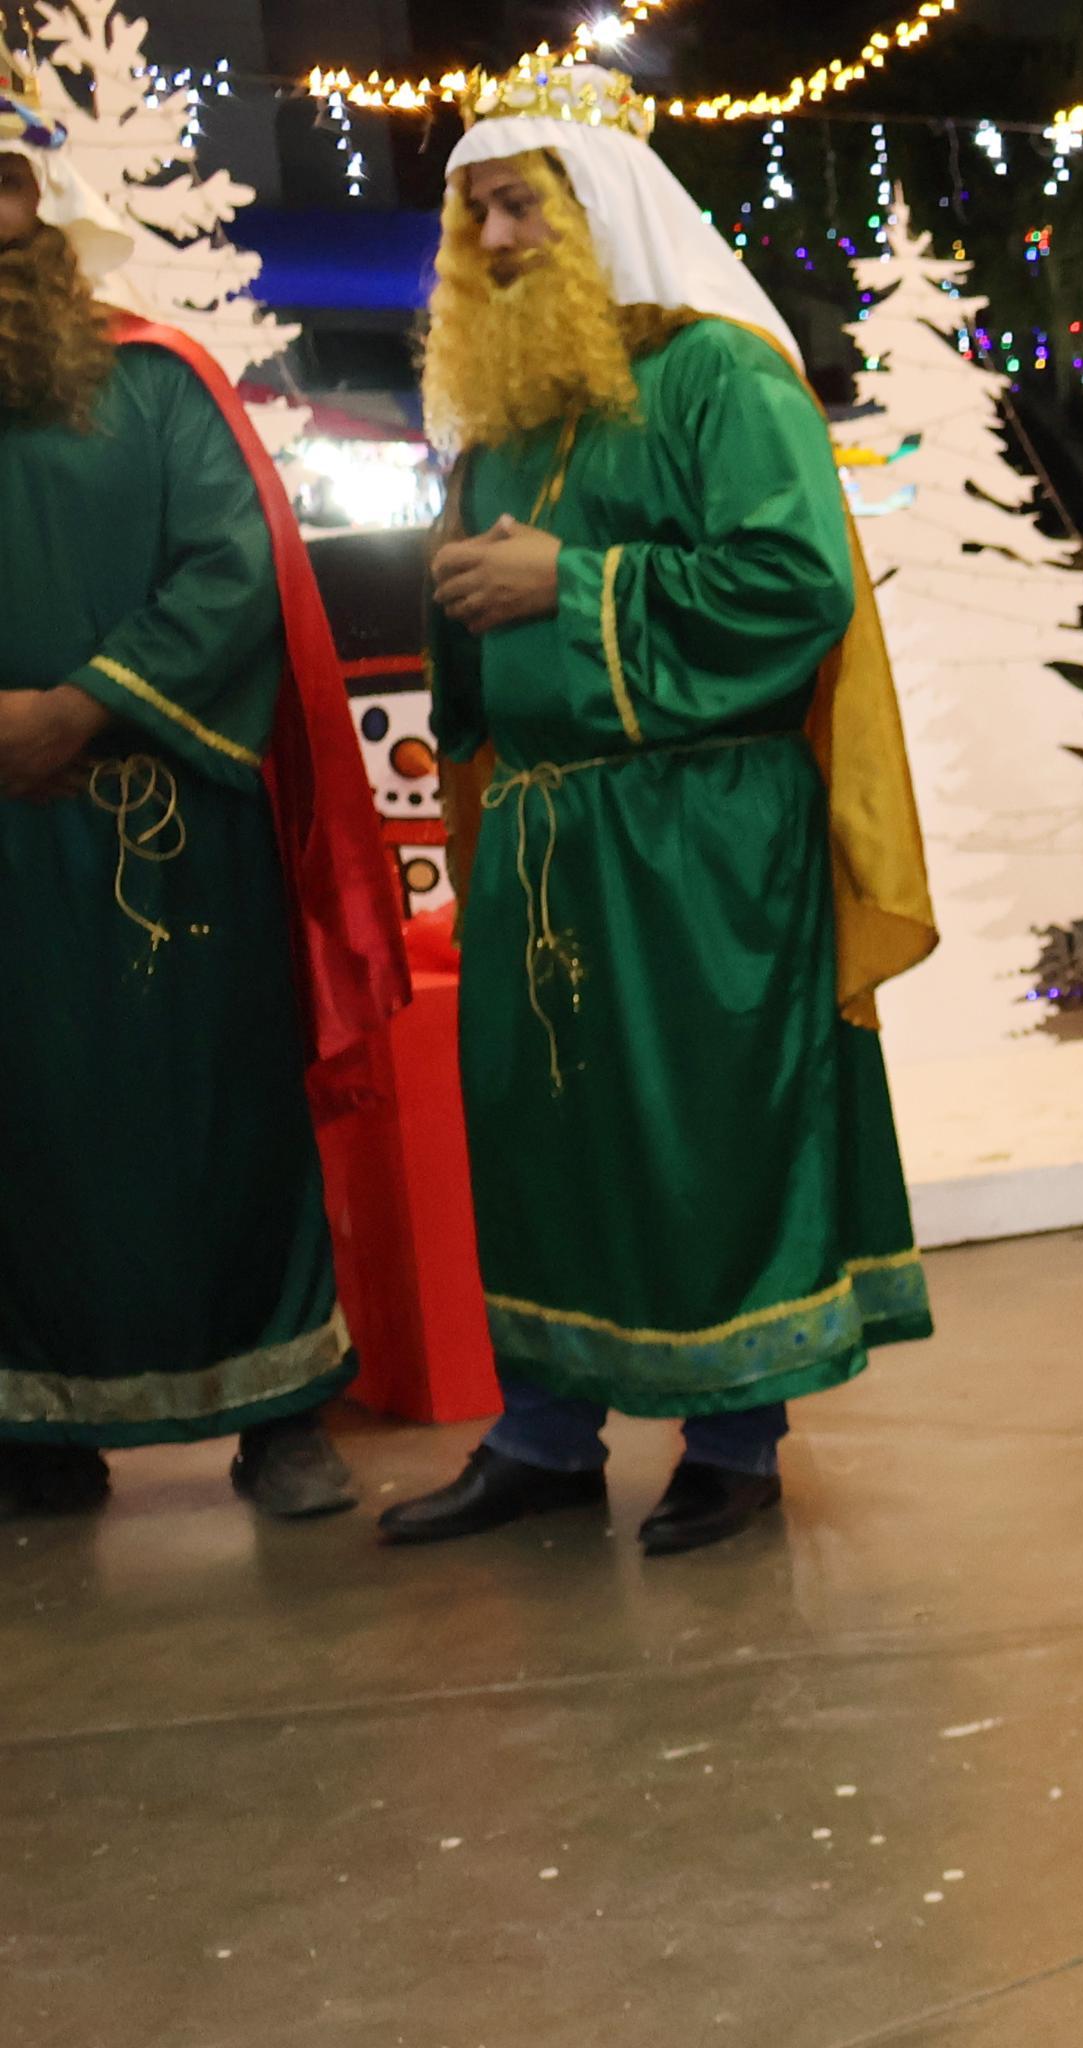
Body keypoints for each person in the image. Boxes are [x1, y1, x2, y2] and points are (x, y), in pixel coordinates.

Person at [377, 60, 935, 1558]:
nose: (495, 243)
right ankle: (543, 1438)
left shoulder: (721, 376)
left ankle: (733, 1440)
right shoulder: (508, 415)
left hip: (703, 836)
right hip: (548, 836)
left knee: (705, 1136)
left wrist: (571, 585)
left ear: (603, 208)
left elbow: (796, 586)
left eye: (520, 206)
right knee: (546, 1138)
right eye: (476, 216)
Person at [1, 65, 404, 1520]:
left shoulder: (160, 379)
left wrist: (80, 707)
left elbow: (235, 573)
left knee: (218, 1117)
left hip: (163, 825)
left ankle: (279, 1413)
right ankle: (35, 1423)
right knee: (22, 1136)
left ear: (40, 202)